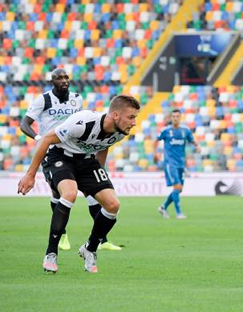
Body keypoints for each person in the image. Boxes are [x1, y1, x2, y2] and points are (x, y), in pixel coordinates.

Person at [18, 95, 140, 273]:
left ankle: (90, 249)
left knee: (113, 205)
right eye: (131, 117)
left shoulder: (119, 133)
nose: (134, 122)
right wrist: (30, 175)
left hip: (87, 162)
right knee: (70, 193)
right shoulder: (82, 122)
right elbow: (46, 140)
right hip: (59, 156)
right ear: (115, 115)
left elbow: (103, 146)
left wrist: (99, 178)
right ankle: (51, 253)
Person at [20, 68, 122, 251]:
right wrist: (39, 139)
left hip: (78, 151)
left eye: (66, 77)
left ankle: (102, 240)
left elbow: (82, 123)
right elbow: (24, 124)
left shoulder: (77, 98)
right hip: (52, 149)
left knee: (93, 196)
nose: (64, 80)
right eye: (59, 78)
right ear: (52, 81)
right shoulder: (43, 100)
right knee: (59, 194)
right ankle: (62, 234)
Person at [156, 109, 200, 219]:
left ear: (180, 118)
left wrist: (197, 146)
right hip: (170, 164)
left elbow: (192, 140)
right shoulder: (166, 130)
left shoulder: (185, 130)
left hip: (181, 164)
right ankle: (178, 212)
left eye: (177, 116)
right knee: (177, 187)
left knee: (179, 189)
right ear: (171, 118)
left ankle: (163, 207)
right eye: (173, 116)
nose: (175, 118)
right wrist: (155, 153)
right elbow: (156, 140)